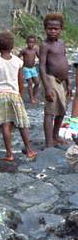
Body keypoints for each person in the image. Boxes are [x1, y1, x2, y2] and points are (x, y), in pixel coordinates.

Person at [0, 31, 37, 160]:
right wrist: (20, 94)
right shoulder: (17, 61)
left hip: (0, 95)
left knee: (5, 124)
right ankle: (29, 150)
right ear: (12, 47)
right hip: (15, 95)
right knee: (22, 123)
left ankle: (9, 154)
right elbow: (21, 80)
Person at [39, 12, 72, 148]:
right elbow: (41, 65)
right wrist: (46, 87)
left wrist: (68, 83)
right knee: (50, 110)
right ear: (45, 28)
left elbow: (64, 62)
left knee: (62, 109)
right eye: (50, 28)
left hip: (60, 81)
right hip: (50, 79)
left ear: (61, 29)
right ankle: (48, 144)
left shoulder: (62, 43)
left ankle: (55, 135)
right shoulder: (45, 45)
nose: (53, 31)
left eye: (56, 29)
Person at [18, 34, 40, 104]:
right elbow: (18, 57)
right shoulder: (24, 50)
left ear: (35, 43)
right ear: (27, 43)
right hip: (26, 68)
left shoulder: (35, 50)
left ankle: (34, 97)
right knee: (30, 82)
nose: (31, 44)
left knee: (37, 82)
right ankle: (31, 99)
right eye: (29, 42)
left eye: (32, 42)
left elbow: (40, 57)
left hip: (33, 68)